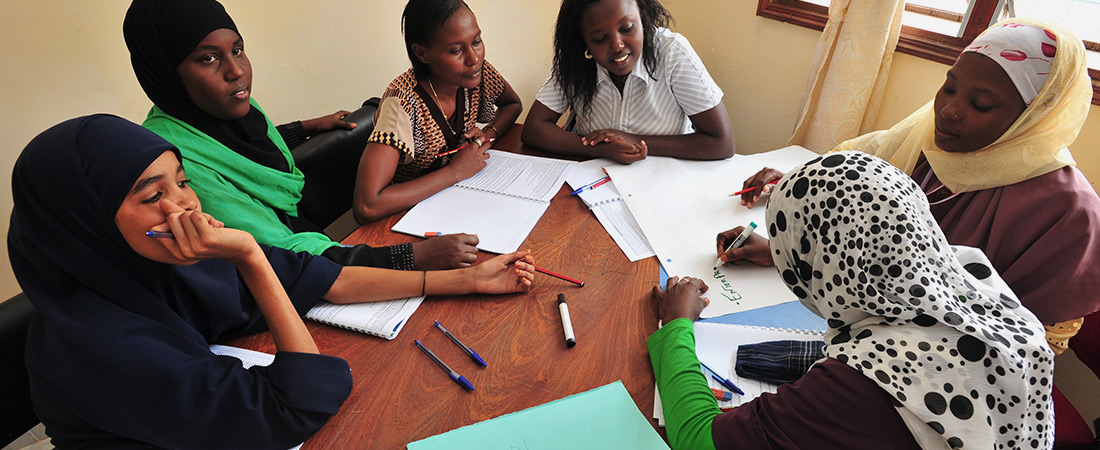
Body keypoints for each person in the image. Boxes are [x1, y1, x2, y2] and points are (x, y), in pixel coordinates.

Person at [8, 115, 535, 449]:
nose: (185, 204)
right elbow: (297, 405)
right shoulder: (97, 346)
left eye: (183, 182)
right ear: (86, 222)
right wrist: (247, 255)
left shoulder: (149, 266)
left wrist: (462, 282)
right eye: (152, 197)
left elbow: (316, 277)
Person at [651, 152, 1054, 449]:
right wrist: (783, 250)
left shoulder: (854, 388)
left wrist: (676, 325)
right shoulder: (975, 278)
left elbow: (697, 440)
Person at [733, 19, 1100, 344]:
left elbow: (1025, 343)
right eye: (950, 87)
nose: (949, 111)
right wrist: (790, 251)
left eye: (982, 105)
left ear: (1034, 117)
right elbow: (867, 233)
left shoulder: (1068, 213)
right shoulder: (925, 144)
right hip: (862, 332)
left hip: (945, 374)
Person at [123, 0, 478, 272]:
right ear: (166, 72)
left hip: (315, 248)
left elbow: (241, 148)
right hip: (283, 275)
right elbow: (277, 255)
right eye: (208, 59)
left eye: (237, 50)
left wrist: (303, 128)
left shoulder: (225, 109)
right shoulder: (173, 164)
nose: (237, 71)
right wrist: (408, 257)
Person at [353, 0, 522, 223]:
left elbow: (512, 105)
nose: (474, 58)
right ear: (422, 53)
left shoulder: (475, 73)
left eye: (477, 41)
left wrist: (488, 134)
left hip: (458, 198)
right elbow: (367, 205)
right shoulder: (402, 102)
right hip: (408, 216)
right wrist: (455, 172)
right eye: (456, 50)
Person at [520, 0, 735, 163]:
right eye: (600, 39)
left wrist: (631, 139)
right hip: (595, 177)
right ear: (583, 40)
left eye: (627, 28)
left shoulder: (672, 52)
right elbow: (534, 129)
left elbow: (722, 142)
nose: (617, 46)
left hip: (666, 179)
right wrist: (601, 149)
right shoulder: (575, 60)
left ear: (643, 17)